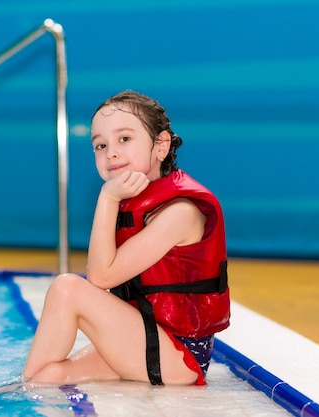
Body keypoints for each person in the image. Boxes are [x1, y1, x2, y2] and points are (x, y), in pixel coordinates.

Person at [22, 90, 230, 386]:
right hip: (147, 334)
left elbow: (99, 277)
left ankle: (18, 401)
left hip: (181, 355)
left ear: (161, 145)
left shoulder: (179, 212)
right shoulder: (136, 204)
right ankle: (22, 390)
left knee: (67, 288)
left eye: (124, 139)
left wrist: (106, 198)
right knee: (48, 376)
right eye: (100, 145)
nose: (111, 153)